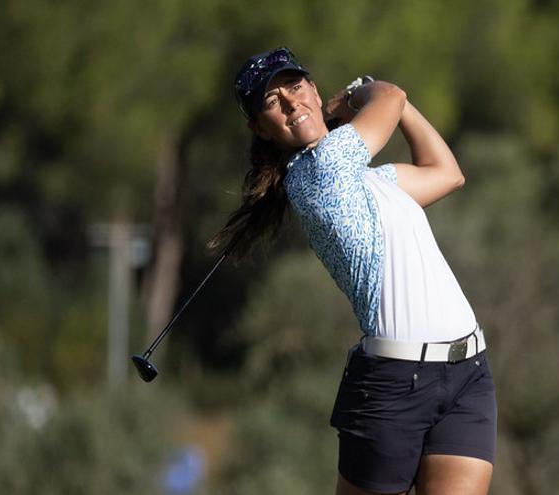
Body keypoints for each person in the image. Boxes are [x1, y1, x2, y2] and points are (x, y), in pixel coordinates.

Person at [211, 47, 496, 495]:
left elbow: (447, 172)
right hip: (396, 383)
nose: (290, 103)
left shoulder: (368, 182)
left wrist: (396, 104)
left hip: (467, 373)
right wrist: (356, 94)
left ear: (311, 86)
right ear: (259, 128)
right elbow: (390, 95)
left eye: (295, 86)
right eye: (271, 102)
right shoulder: (321, 171)